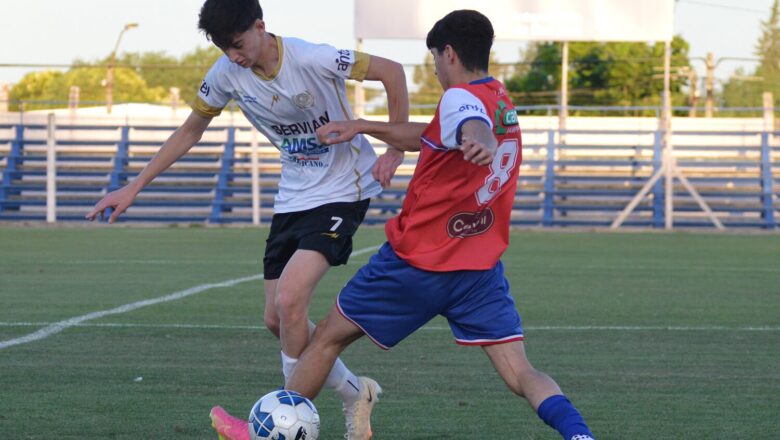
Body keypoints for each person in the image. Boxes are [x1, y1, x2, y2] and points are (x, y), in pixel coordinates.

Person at [213, 9, 595, 440]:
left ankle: (263, 431)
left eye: (434, 59)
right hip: (478, 270)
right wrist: (363, 126)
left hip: (415, 264)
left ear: (448, 53)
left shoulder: (461, 100)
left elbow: (469, 122)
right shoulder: (500, 98)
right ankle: (579, 434)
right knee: (522, 373)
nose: (434, 69)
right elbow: (430, 134)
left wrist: (480, 137)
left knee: (324, 341)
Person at [85, 0, 409, 439]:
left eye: (237, 44)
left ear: (260, 26)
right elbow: (189, 131)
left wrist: (395, 146)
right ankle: (355, 393)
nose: (233, 56)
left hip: (342, 191)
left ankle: (275, 425)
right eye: (223, 48)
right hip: (292, 197)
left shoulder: (313, 56)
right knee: (277, 320)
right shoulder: (224, 73)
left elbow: (393, 72)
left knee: (291, 301)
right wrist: (134, 185)